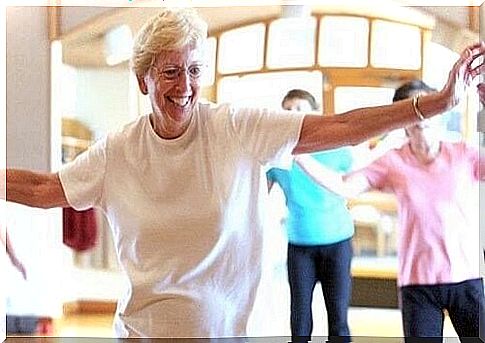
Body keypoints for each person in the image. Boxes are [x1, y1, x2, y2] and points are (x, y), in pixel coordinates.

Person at [3, 7, 485, 338]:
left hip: (243, 332)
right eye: (169, 72)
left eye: (194, 69)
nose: (184, 86)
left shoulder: (237, 127)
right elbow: (48, 188)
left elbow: (340, 126)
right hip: (146, 334)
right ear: (143, 78)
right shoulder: (118, 151)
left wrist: (432, 105)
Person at [295, 80, 485, 342]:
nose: (422, 118)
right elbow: (344, 185)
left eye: (428, 108)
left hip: (467, 278)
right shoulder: (392, 161)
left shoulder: (464, 154)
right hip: (417, 284)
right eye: (413, 111)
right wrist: (297, 154)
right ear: (401, 121)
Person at [266, 89, 354, 342]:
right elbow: (258, 196)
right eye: (288, 110)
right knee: (300, 319)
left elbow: (354, 183)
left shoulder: (337, 149)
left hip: (337, 243)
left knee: (338, 319)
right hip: (299, 245)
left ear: (314, 113)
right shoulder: (276, 158)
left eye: (299, 108)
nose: (293, 115)